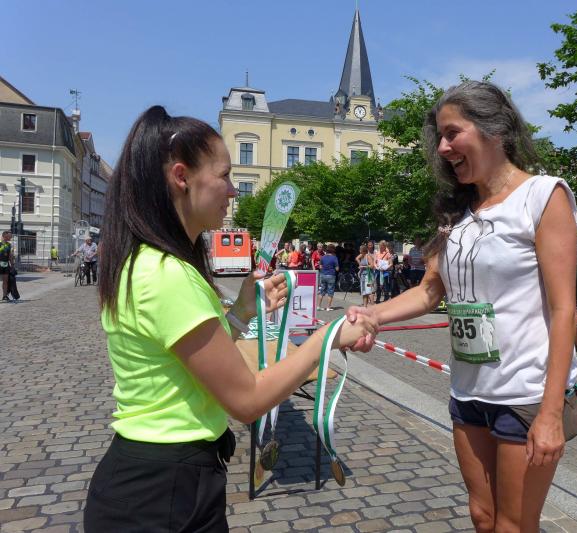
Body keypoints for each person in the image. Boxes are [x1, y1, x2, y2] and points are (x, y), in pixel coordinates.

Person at [84, 106, 377, 531]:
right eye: (224, 176)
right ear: (182, 177)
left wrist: (241, 311)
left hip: (161, 480)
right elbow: (247, 400)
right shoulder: (167, 275)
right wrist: (326, 338)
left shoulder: (151, 263)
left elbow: (195, 361)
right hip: (162, 491)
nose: (233, 191)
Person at [346, 81, 577, 532]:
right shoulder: (457, 211)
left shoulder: (543, 196)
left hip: (525, 393)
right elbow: (430, 291)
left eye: (452, 133)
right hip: (469, 389)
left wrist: (551, 412)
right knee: (482, 515)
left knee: (513, 525)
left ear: (495, 130)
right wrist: (373, 315)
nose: (442, 147)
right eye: (440, 136)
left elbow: (562, 309)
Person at [318, 244, 339, 311]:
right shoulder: (334, 258)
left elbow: (320, 267)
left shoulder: (323, 257)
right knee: (330, 291)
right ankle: (328, 307)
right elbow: (337, 269)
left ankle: (319, 306)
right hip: (331, 275)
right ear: (333, 250)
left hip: (323, 275)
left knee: (322, 291)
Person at [0, 230, 14, 302]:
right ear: (5, 236)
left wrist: (12, 265)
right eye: (10, 236)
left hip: (5, 264)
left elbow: (10, 256)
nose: (11, 237)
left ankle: (4, 296)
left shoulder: (9, 245)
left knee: (5, 281)